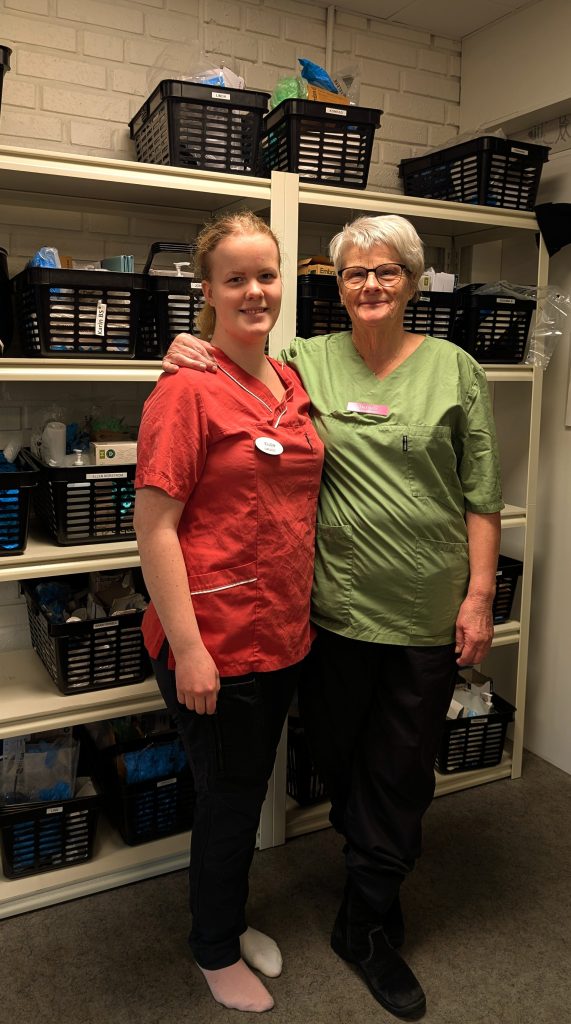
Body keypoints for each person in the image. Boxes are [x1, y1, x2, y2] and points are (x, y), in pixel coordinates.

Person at [161, 213, 503, 1021]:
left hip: (424, 612)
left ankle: (367, 922)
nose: (371, 284)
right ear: (336, 286)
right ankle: (368, 884)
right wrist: (182, 346)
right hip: (331, 614)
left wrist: (479, 596)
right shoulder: (303, 362)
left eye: (387, 271)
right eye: (355, 273)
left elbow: (482, 493)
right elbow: (228, 367)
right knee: (346, 766)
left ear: (411, 282)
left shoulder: (454, 368)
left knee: (400, 770)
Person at [134, 210, 324, 1014]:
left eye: (266, 275)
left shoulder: (289, 380)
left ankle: (231, 918)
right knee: (228, 799)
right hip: (213, 639)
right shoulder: (185, 390)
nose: (255, 291)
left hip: (280, 630)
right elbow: (154, 527)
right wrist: (190, 650)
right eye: (235, 278)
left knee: (244, 790)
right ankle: (213, 947)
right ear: (206, 291)